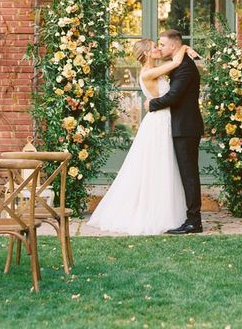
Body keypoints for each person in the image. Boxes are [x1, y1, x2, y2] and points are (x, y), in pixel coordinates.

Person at [87, 38, 193, 235]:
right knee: (159, 165)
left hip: (163, 119)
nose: (158, 49)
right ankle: (154, 214)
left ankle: (165, 211)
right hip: (159, 122)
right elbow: (177, 63)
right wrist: (185, 47)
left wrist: (183, 48)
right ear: (145, 53)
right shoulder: (148, 72)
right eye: (154, 47)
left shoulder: (155, 69)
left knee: (163, 165)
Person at [144, 28, 204, 234]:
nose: (159, 48)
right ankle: (189, 217)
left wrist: (152, 104)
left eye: (162, 44)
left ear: (173, 46)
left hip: (186, 127)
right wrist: (186, 47)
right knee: (185, 174)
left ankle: (194, 221)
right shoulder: (179, 64)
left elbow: (174, 97)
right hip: (181, 126)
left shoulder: (185, 67)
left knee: (189, 174)